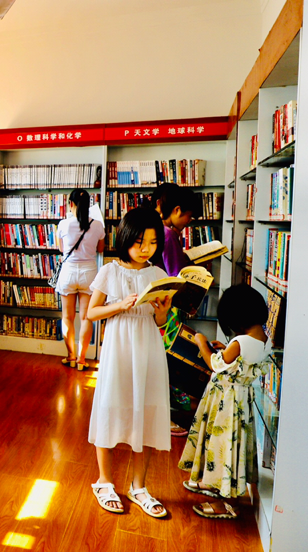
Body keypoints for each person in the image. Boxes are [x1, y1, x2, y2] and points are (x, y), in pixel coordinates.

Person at [86, 207, 173, 518]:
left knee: (145, 411)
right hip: (119, 345)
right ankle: (104, 481)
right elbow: (91, 313)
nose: (146, 249)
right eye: (139, 242)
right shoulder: (110, 271)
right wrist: (119, 305)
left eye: (152, 243)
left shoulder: (158, 274)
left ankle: (139, 487)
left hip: (148, 346)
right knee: (110, 406)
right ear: (125, 239)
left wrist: (163, 311)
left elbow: (160, 321)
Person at [179, 284, 272, 519]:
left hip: (226, 404)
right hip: (241, 404)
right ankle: (215, 485)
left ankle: (226, 504)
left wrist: (201, 341)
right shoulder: (264, 339)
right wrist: (227, 350)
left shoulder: (240, 342)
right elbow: (239, 361)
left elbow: (216, 364)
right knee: (231, 450)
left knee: (220, 448)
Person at [150, 183, 199, 438]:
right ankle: (169, 413)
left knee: (163, 358)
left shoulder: (160, 231)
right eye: (188, 216)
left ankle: (169, 410)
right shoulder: (168, 235)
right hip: (168, 306)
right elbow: (176, 274)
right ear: (177, 210)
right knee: (170, 359)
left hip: (160, 303)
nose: (189, 222)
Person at [55, 189, 105, 370]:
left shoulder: (63, 224)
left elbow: (61, 250)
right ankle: (82, 360)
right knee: (86, 318)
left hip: (68, 273)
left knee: (67, 317)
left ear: (71, 204)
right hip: (89, 273)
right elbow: (100, 249)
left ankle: (71, 356)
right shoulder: (98, 225)